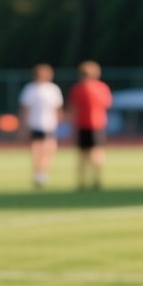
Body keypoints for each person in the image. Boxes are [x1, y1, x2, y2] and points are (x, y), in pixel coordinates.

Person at [66, 61, 111, 191]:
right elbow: (107, 105)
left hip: (82, 125)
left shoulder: (78, 88)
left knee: (83, 155)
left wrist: (71, 127)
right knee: (97, 153)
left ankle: (82, 181)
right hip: (98, 124)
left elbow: (73, 109)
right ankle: (96, 179)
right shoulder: (102, 87)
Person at [18, 64, 62, 189]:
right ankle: (38, 173)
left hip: (49, 124)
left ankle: (43, 172)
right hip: (35, 124)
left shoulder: (53, 89)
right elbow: (25, 109)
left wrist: (60, 122)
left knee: (49, 150)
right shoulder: (30, 89)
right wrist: (23, 126)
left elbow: (57, 109)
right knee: (37, 150)